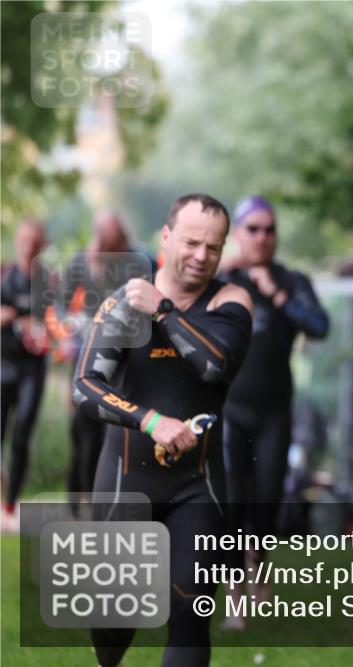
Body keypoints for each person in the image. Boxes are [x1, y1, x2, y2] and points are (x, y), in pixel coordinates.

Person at [73, 194, 252, 666]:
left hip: (199, 485)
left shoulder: (229, 301)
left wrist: (164, 310)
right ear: (166, 237)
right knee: (112, 621)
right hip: (126, 479)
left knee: (190, 613)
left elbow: (214, 367)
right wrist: (149, 420)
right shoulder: (125, 302)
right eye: (192, 242)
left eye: (213, 248)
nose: (201, 256)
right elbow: (84, 386)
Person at [218, 196, 329, 626]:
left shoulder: (290, 280)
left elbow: (319, 326)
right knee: (231, 502)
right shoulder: (222, 280)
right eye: (253, 228)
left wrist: (273, 292)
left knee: (265, 501)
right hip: (230, 409)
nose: (262, 236)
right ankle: (232, 597)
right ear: (239, 234)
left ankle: (259, 573)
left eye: (270, 229)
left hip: (275, 412)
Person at [55, 210, 157, 515]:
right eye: (102, 237)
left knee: (111, 433)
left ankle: (108, 502)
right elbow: (60, 304)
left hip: (127, 364)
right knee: (81, 430)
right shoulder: (83, 260)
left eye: (112, 238)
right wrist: (73, 324)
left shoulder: (142, 261)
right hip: (88, 355)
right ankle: (79, 498)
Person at [1, 220, 52, 531]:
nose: (28, 246)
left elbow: (59, 323)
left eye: (35, 241)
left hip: (33, 369)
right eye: (24, 239)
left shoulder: (50, 283)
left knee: (21, 436)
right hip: (3, 365)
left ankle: (10, 504)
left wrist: (41, 327)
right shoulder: (5, 276)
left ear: (43, 245)